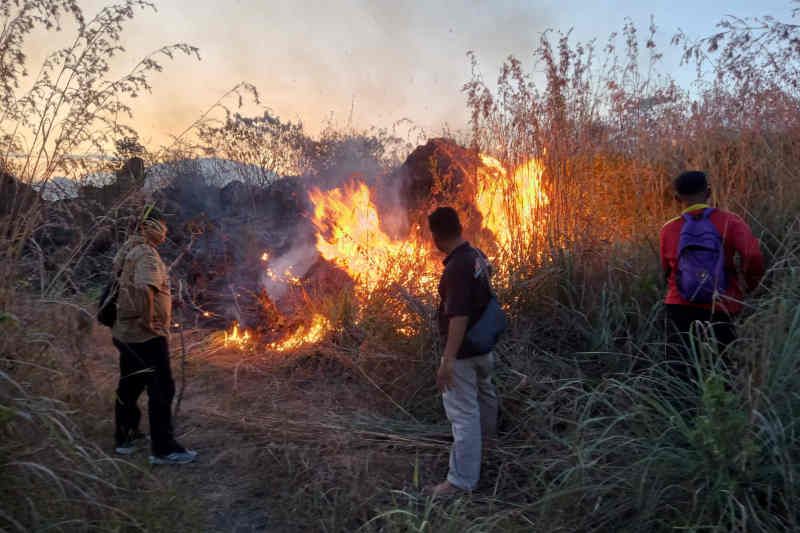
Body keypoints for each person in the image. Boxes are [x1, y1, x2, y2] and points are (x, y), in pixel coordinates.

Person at [660, 171, 765, 377]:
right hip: (723, 302)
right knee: (724, 366)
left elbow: (667, 269)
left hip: (679, 304)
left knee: (680, 368)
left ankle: (681, 408)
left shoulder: (669, 229)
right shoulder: (731, 221)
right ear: (709, 192)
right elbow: (753, 255)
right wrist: (750, 285)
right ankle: (721, 407)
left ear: (677, 198)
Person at [111, 216, 197, 465]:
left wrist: (168, 300)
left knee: (131, 384)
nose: (164, 233)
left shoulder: (128, 250)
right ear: (150, 228)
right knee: (161, 389)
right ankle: (164, 449)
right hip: (146, 336)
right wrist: (149, 321)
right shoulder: (147, 255)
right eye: (162, 228)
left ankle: (126, 438)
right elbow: (144, 289)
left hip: (125, 332)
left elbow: (135, 288)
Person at [426, 207, 499, 498]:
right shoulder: (476, 255)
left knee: (463, 415)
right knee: (485, 397)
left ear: (436, 236)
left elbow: (458, 317)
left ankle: (459, 482)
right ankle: (489, 449)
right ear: (459, 227)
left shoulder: (456, 267)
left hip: (464, 353)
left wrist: (447, 360)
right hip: (484, 347)